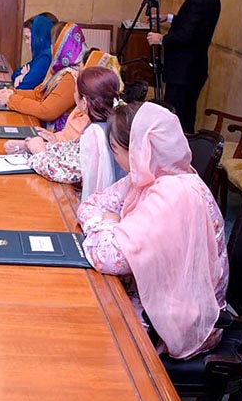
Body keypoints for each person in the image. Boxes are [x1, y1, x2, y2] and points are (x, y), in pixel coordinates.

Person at [77, 101, 228, 359]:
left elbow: (108, 256)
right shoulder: (150, 173)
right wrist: (110, 224)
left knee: (89, 327)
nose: (113, 156)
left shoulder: (171, 192)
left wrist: (112, 224)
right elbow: (91, 203)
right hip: (167, 294)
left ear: (138, 148)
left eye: (115, 149)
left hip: (184, 315)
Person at [24, 65, 127, 202]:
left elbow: (61, 172)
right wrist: (37, 145)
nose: (73, 96)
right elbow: (74, 151)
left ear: (84, 103)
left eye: (75, 92)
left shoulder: (96, 133)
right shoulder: (112, 122)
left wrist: (39, 152)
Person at [146, 0, 221, 134]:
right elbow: (193, 25)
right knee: (183, 114)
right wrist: (170, 17)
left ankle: (179, 156)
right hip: (191, 70)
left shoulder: (200, 0)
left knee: (178, 118)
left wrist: (161, 39)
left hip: (184, 72)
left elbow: (187, 35)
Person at [0, 22, 87, 132]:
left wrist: (11, 100)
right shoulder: (61, 70)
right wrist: (12, 93)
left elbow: (47, 111)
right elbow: (40, 94)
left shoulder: (71, 76)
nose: (51, 47)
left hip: (59, 137)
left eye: (54, 43)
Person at [11, 12, 58, 90]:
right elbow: (15, 74)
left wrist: (25, 76)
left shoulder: (46, 57)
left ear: (38, 37)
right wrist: (25, 75)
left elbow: (23, 86)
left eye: (28, 37)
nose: (26, 42)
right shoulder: (40, 55)